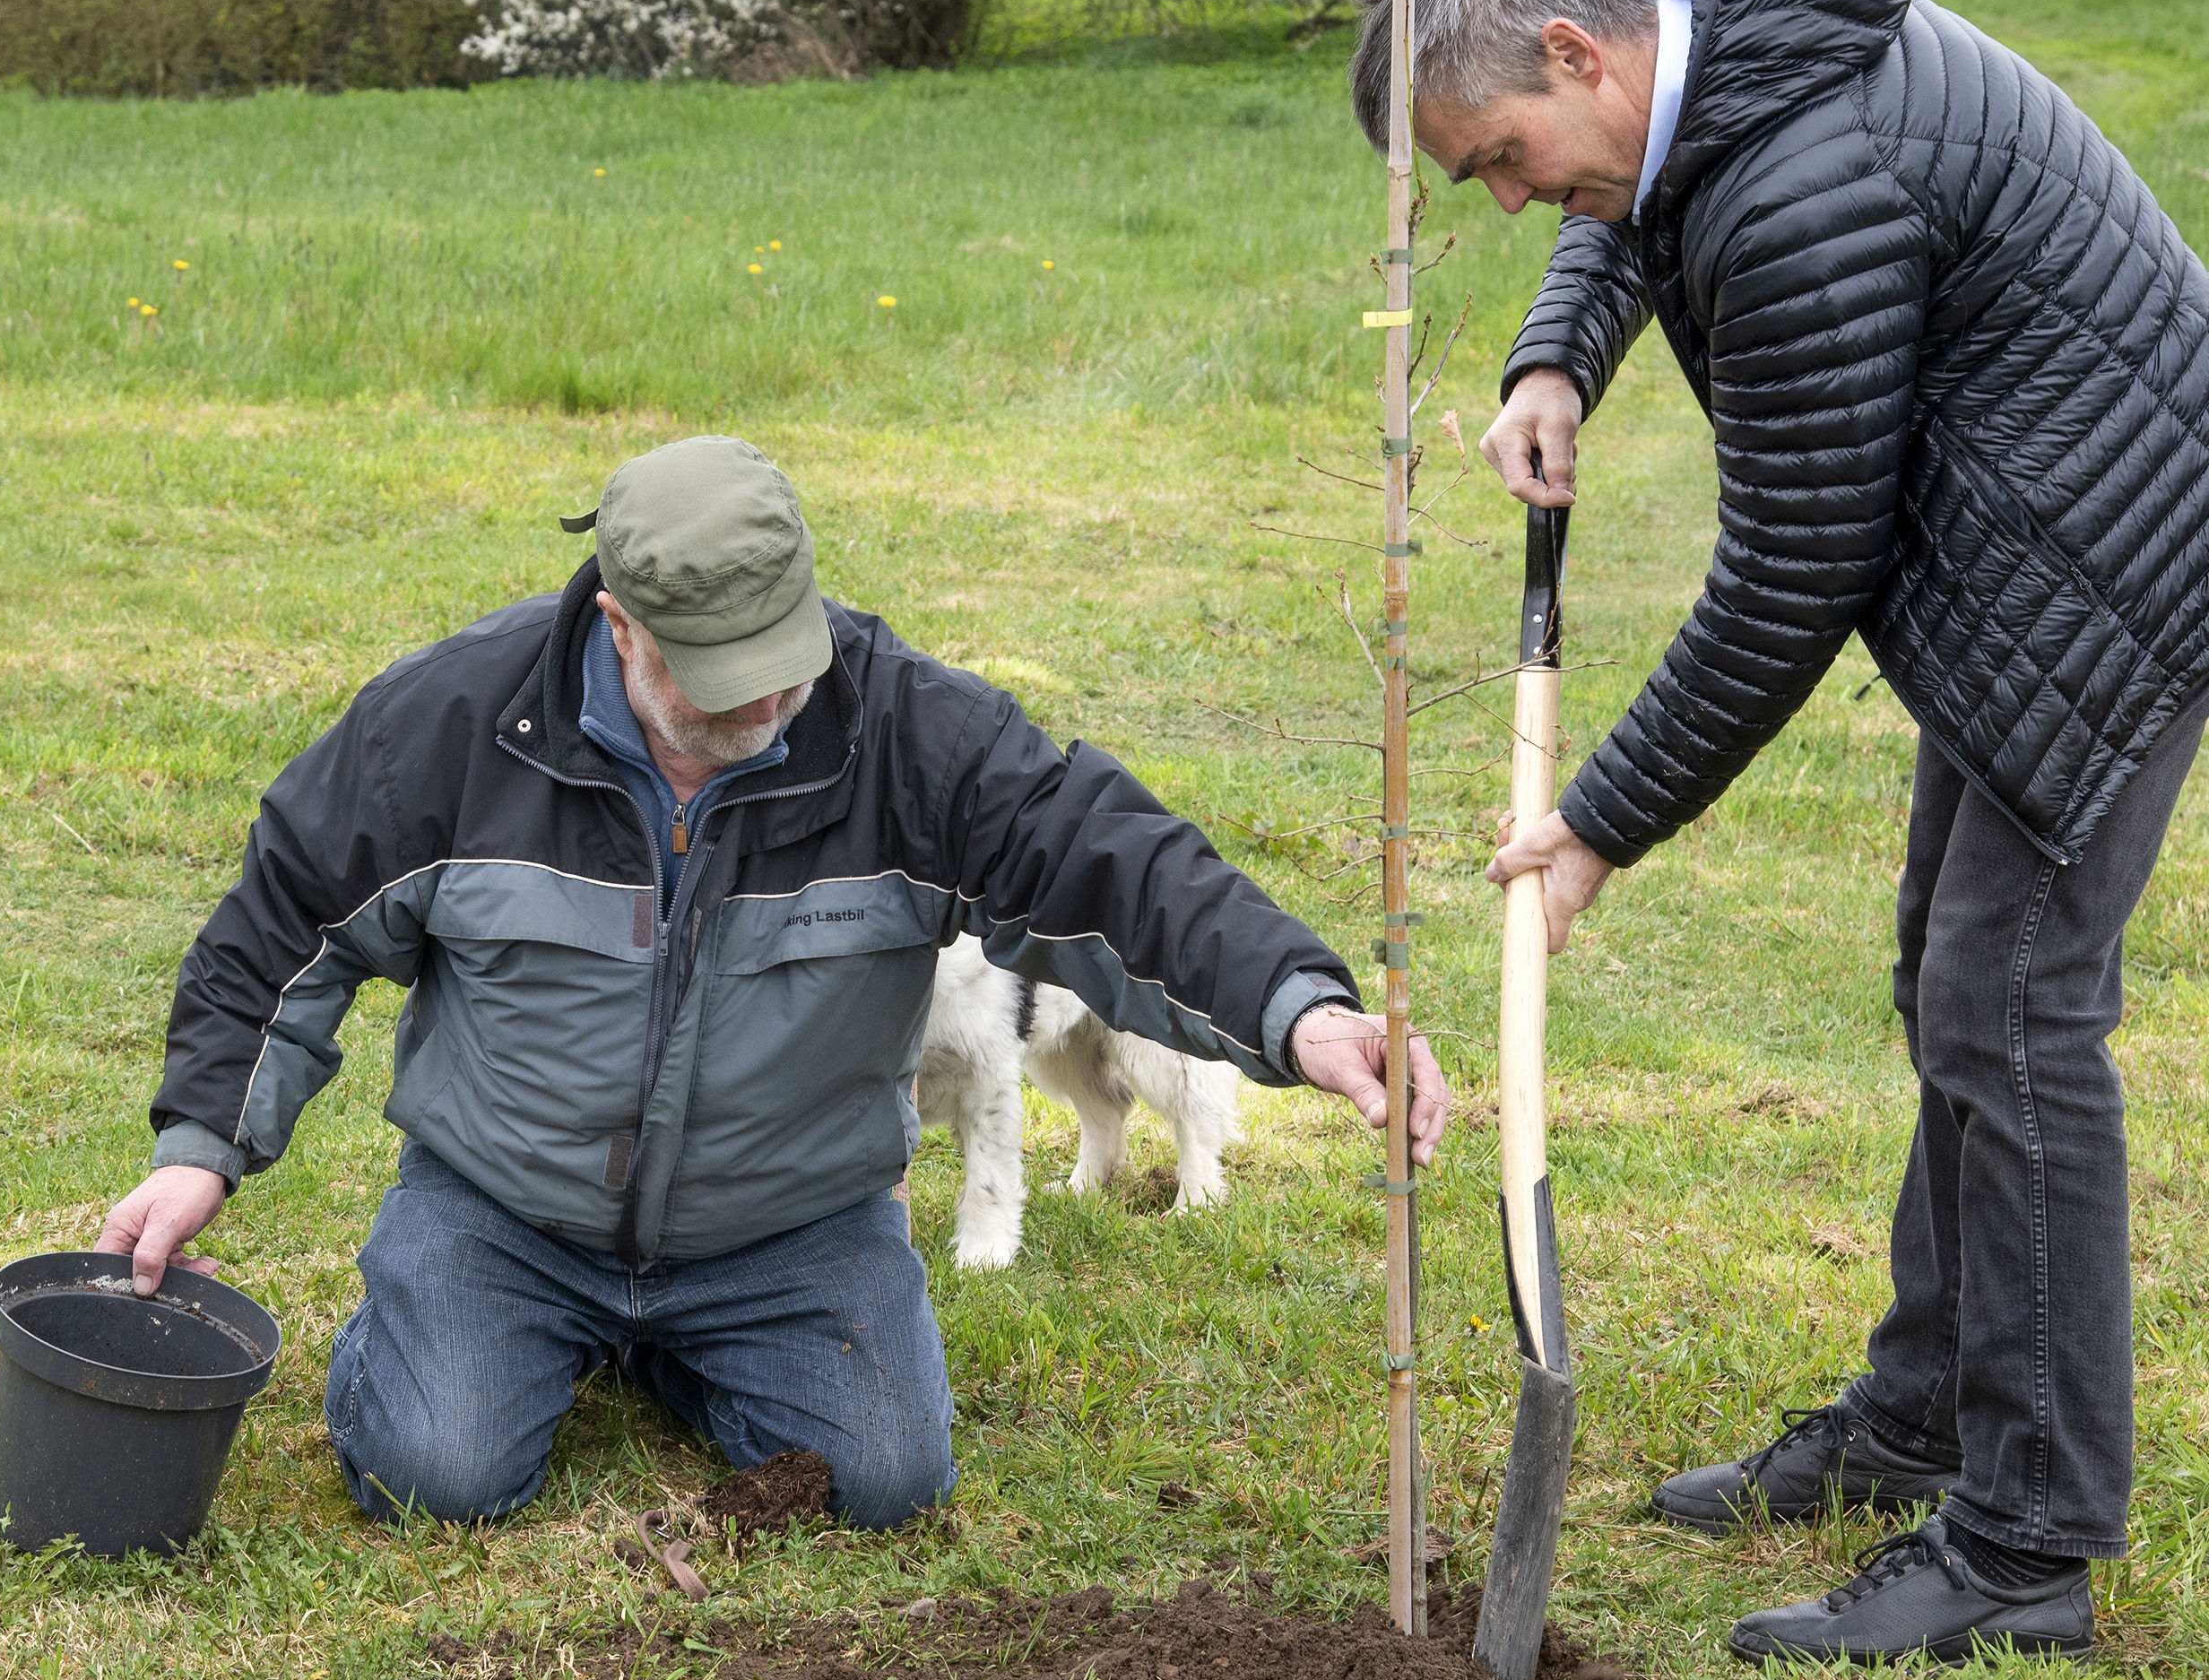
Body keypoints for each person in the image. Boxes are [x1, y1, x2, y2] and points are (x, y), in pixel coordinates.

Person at [1350, 0, 2209, 1664]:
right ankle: (1927, 1411)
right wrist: (1555, 354)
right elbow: (1631, 188)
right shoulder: (1707, 29)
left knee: (2010, 1007)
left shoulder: (1805, 188)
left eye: (1498, 158)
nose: (1508, 199)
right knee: (1950, 978)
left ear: (1572, 50)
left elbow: (1793, 573)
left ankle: (2027, 1542)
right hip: (2031, 534)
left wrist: (1595, 824)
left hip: (2112, 560)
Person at [97, 435, 1447, 1530]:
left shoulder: (908, 733)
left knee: (883, 1480)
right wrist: (204, 1143)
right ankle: (467, 1324)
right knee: (430, 1472)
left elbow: (1111, 864)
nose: (764, 708)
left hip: (790, 1222)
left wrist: (1301, 1011)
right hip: (509, 1205)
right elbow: (287, 919)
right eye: (720, 682)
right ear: (619, 623)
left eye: (781, 669)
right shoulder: (453, 725)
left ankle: (685, 1347)